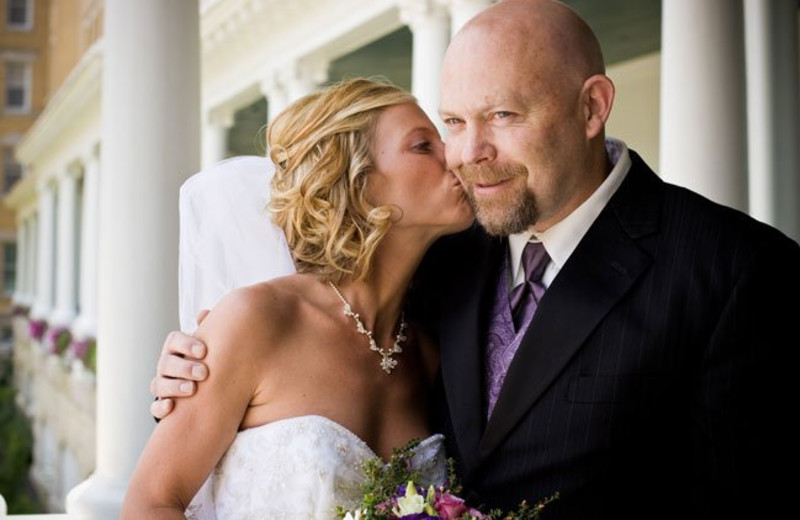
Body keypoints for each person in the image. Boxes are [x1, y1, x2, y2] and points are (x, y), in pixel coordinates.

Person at [152, 1, 800, 518]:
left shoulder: (737, 272)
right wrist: (193, 370)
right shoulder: (443, 255)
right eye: (452, 122)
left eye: (502, 115)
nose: (467, 154)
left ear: (592, 107)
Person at [121, 77, 473, 519]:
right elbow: (150, 504)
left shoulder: (427, 353)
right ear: (359, 182)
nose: (455, 155)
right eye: (424, 146)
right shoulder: (255, 320)